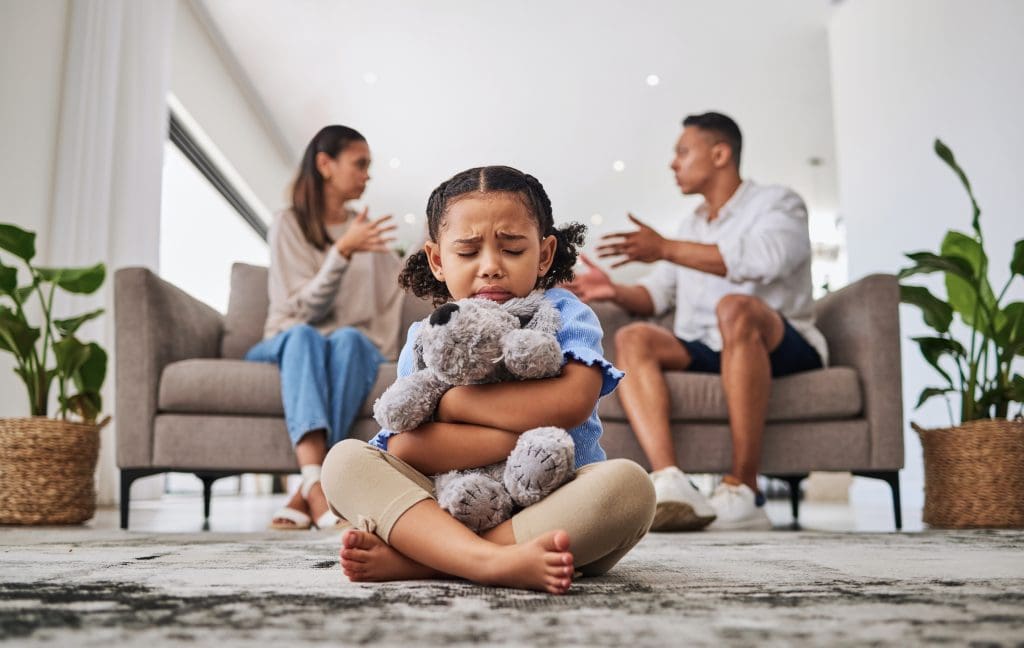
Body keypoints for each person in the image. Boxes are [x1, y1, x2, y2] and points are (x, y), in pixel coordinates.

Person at [321, 165, 655, 594]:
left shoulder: (563, 312)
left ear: (545, 254)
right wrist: (518, 426)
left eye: (513, 250)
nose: (491, 268)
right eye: (467, 253)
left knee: (630, 488)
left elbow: (572, 402)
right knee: (344, 462)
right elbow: (406, 448)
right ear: (438, 259)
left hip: (552, 503)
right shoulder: (427, 337)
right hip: (450, 500)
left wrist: (451, 405)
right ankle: (492, 561)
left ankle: (432, 559)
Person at [567, 112, 827, 532]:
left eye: (683, 152)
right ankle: (671, 480)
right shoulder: (690, 226)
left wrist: (666, 247)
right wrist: (612, 290)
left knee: (734, 308)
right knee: (634, 336)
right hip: (710, 346)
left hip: (781, 345)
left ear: (720, 153)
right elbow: (654, 295)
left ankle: (745, 487)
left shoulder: (778, 203)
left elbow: (765, 261)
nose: (674, 163)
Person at [245, 125, 403, 530]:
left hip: (343, 345)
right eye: (360, 164)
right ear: (325, 164)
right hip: (287, 339)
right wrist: (342, 252)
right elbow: (301, 310)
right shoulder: (289, 224)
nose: (367, 175)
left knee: (351, 339)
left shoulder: (366, 232)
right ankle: (322, 489)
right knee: (304, 335)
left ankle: (310, 487)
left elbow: (393, 292)